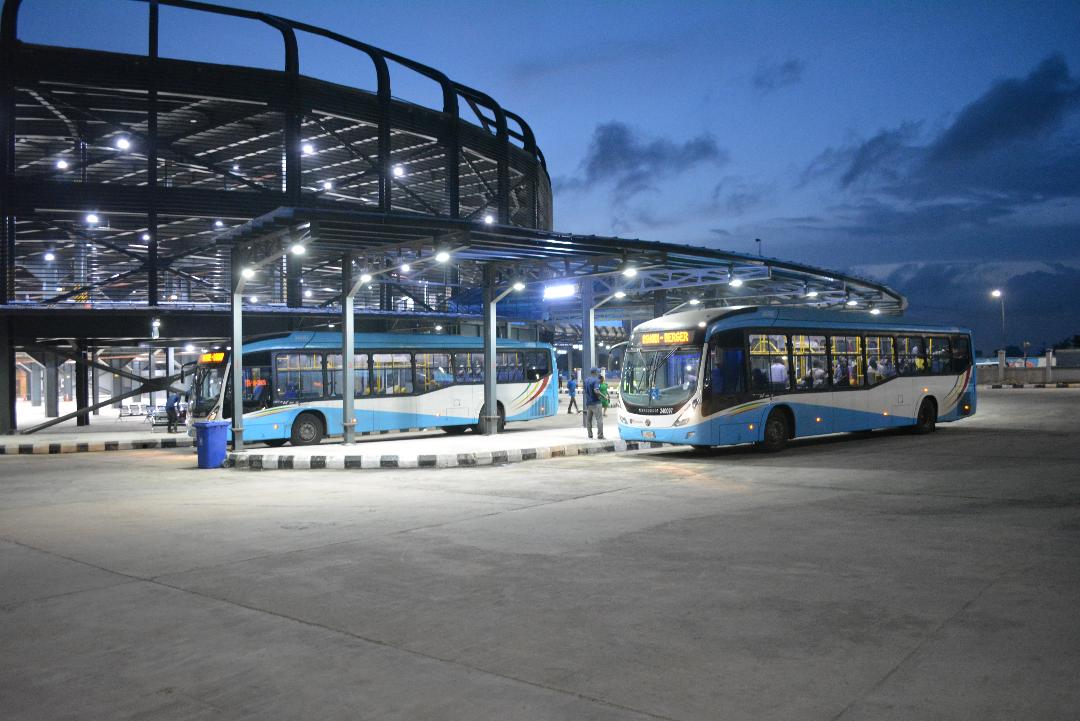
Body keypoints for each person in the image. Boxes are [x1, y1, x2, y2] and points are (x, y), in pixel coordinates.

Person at [583, 367, 604, 439]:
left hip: (589, 403)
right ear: (595, 372)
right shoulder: (596, 380)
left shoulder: (586, 380)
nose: (598, 373)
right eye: (597, 372)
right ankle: (600, 435)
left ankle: (590, 434)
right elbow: (596, 391)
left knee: (588, 420)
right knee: (599, 419)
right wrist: (603, 396)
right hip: (596, 403)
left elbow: (585, 391)